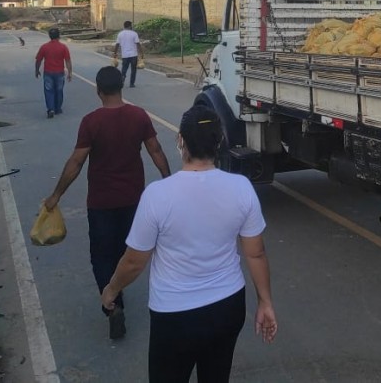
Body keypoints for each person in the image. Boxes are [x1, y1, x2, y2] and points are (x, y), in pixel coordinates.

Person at [102, 104, 277, 381]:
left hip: (174, 315)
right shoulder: (241, 187)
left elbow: (134, 261)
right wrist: (265, 303)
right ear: (219, 141)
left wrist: (111, 289)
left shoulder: (158, 195)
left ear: (181, 140)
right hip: (227, 307)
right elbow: (256, 254)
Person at [43, 66, 171, 341]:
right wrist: (170, 182)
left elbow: (76, 162)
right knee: (125, 250)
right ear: (121, 86)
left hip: (101, 202)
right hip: (133, 200)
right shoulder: (139, 116)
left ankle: (113, 304)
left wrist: (56, 195)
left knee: (101, 254)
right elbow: (156, 151)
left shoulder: (91, 122)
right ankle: (116, 291)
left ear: (98, 90)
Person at [35, 27, 73, 118]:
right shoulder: (63, 47)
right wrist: (70, 72)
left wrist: (37, 70)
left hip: (48, 72)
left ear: (49, 36)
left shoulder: (44, 47)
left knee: (49, 91)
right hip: (59, 73)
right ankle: (58, 108)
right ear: (59, 36)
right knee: (59, 90)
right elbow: (68, 61)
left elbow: (38, 60)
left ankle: (50, 109)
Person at [113, 20, 142, 88]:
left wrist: (115, 53)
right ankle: (132, 83)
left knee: (124, 68)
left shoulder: (120, 34)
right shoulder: (134, 33)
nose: (132, 26)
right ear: (129, 26)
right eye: (131, 25)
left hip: (125, 55)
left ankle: (123, 77)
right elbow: (138, 44)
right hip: (133, 55)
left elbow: (117, 44)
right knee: (133, 70)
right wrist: (141, 53)